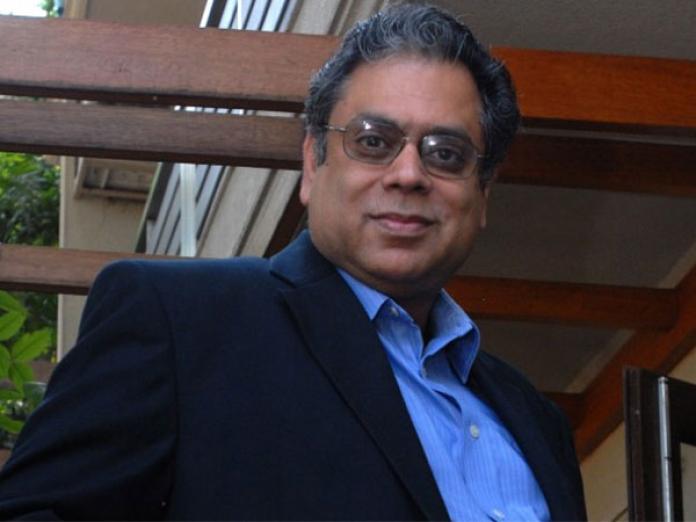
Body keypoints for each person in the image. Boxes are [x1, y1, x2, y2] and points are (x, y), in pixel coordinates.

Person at [0, 3, 586, 520]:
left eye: (446, 153)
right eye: (373, 141)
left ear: (482, 194)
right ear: (312, 163)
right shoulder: (178, 321)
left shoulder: (537, 422)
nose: (409, 174)